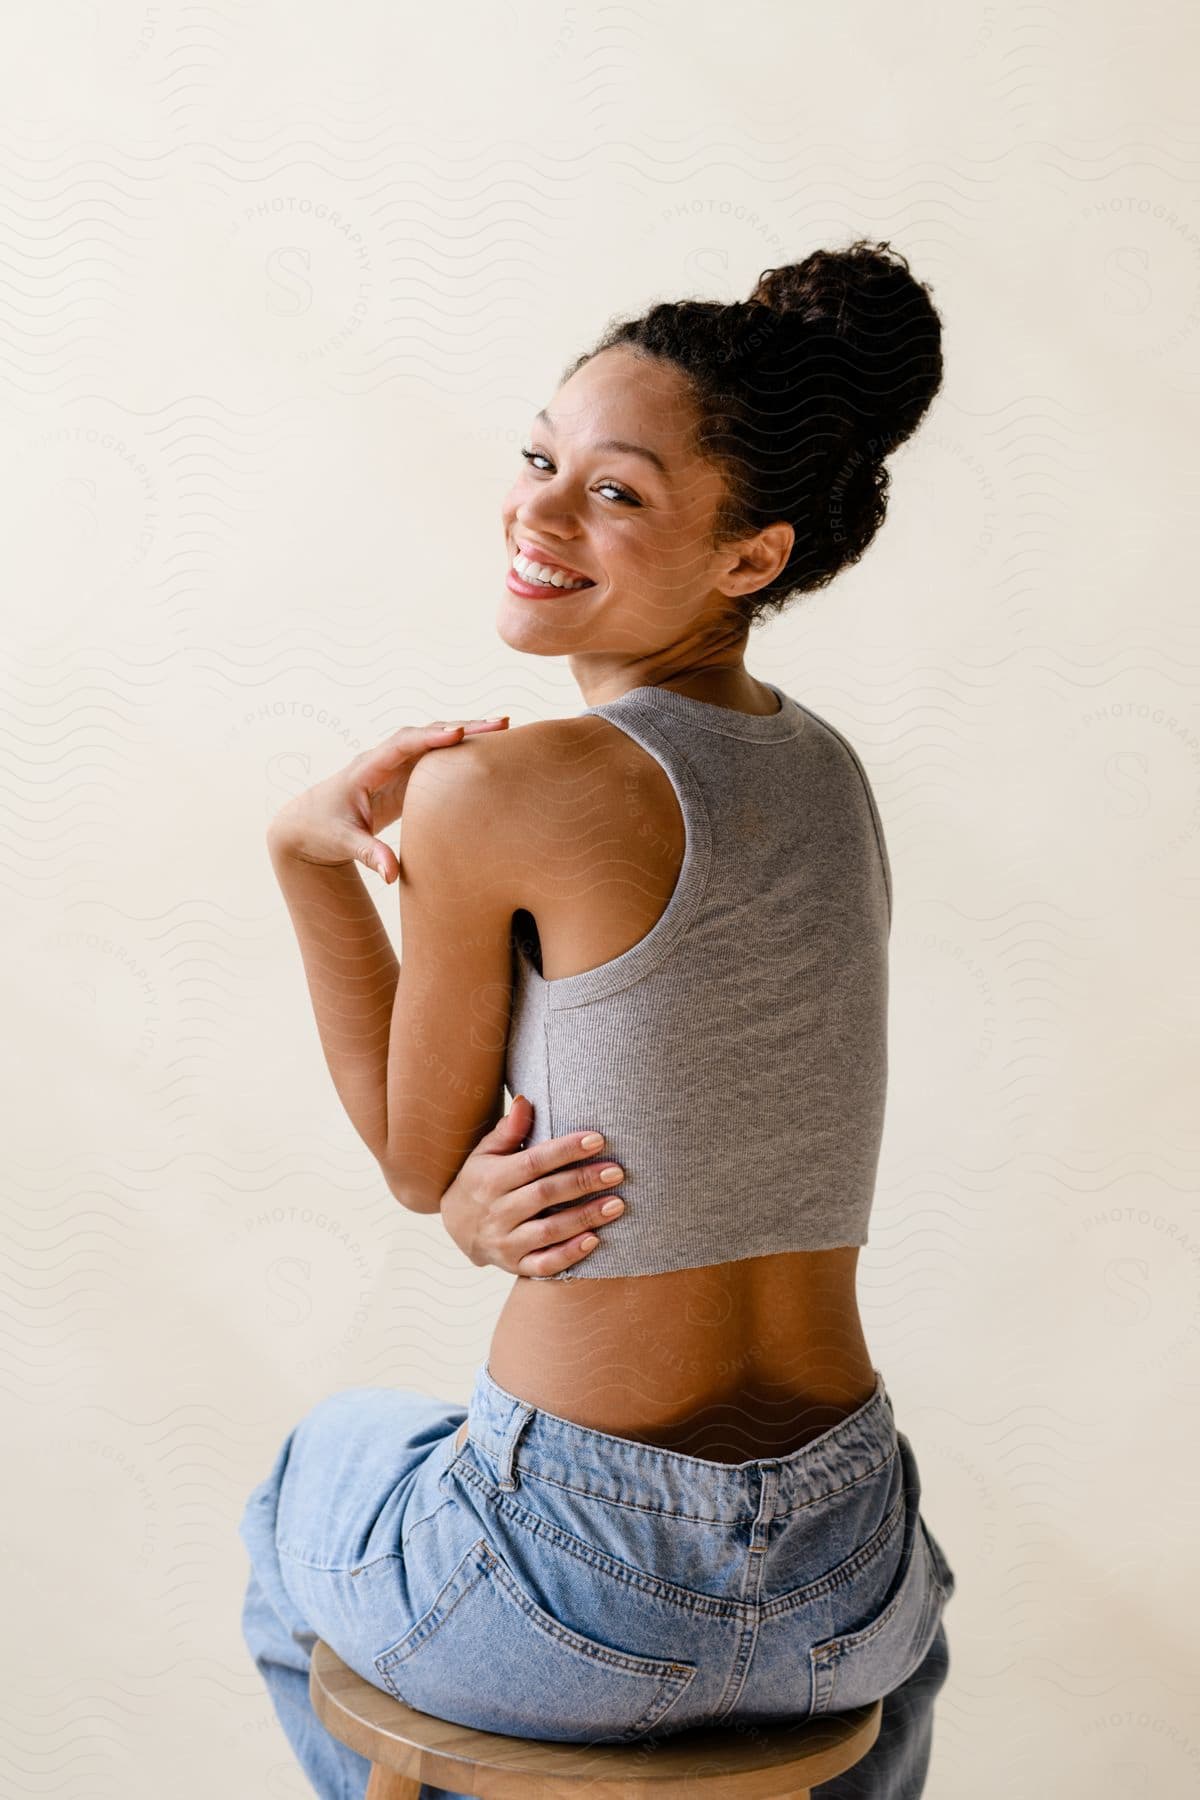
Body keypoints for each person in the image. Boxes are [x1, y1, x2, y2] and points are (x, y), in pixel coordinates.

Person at [239, 238, 957, 1800]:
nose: (540, 511)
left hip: (581, 1585)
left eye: (616, 493)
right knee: (871, 1654)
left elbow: (425, 1166)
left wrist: (308, 862)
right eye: (540, 458)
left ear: (749, 557)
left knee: (311, 1478)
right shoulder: (831, 775)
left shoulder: (496, 786)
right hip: (854, 1575)